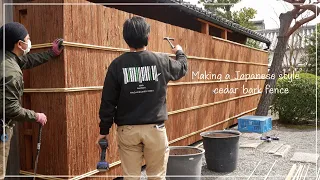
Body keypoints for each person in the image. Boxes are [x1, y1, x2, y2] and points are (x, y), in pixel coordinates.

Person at [96, 16, 188, 180]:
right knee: (157, 176)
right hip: (155, 129)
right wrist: (179, 52)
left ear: (126, 39)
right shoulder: (161, 61)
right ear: (148, 37)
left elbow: (108, 101)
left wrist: (104, 130)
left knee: (131, 177)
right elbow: (182, 68)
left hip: (127, 131)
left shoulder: (117, 65)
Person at [0, 22, 64, 179]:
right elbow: (10, 109)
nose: (30, 42)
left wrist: (51, 54)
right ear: (19, 44)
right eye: (27, 39)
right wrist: (36, 116)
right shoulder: (11, 73)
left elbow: (26, 61)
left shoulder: (7, 57)